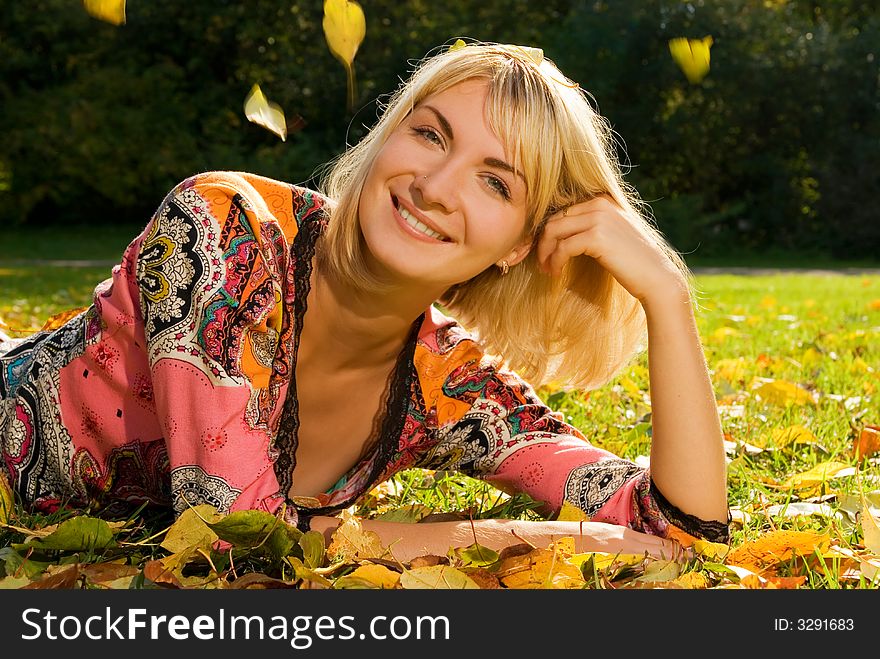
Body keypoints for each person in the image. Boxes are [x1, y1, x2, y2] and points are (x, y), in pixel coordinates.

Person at [0, 42, 729, 563]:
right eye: (429, 134)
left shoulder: (445, 382)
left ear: (518, 245)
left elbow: (678, 529)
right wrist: (508, 536)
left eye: (495, 182)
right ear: (388, 137)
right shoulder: (224, 228)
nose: (437, 185)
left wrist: (668, 296)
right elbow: (234, 537)